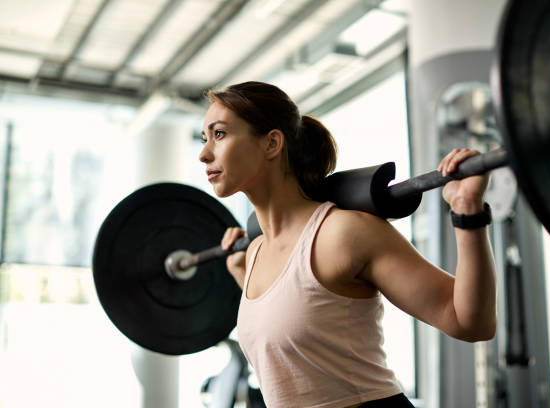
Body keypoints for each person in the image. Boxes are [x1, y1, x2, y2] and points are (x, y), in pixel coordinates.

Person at [199, 81, 497, 408]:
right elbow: (291, 338)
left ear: (271, 143)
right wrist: (241, 275)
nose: (204, 153)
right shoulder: (255, 253)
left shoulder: (343, 234)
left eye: (220, 134)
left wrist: (467, 210)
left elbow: (470, 321)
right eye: (204, 138)